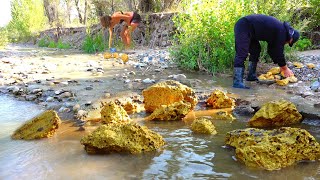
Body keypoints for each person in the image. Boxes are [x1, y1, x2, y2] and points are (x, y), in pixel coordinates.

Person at [232, 14, 300, 89]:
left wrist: (280, 65)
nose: (286, 43)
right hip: (244, 25)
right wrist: (284, 68)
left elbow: (272, 50)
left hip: (251, 30)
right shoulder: (282, 32)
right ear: (291, 39)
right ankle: (237, 82)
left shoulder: (280, 32)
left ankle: (251, 76)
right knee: (242, 52)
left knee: (256, 50)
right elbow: (279, 52)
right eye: (288, 43)